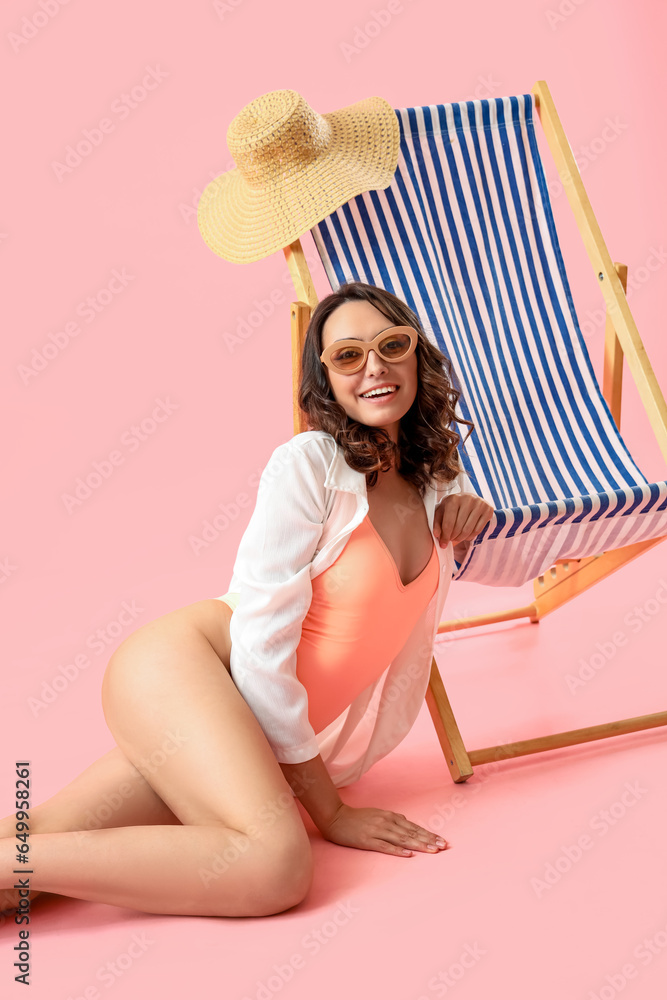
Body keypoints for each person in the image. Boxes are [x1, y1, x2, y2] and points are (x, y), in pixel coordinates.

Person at [0, 281, 493, 921]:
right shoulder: (308, 464)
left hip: (241, 727)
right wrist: (330, 812)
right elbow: (261, 651)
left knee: (33, 864)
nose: (373, 367)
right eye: (347, 356)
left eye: (390, 345)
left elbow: (528, 561)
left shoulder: (438, 477)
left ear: (416, 357)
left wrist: (479, 510)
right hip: (191, 669)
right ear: (325, 378)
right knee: (276, 867)